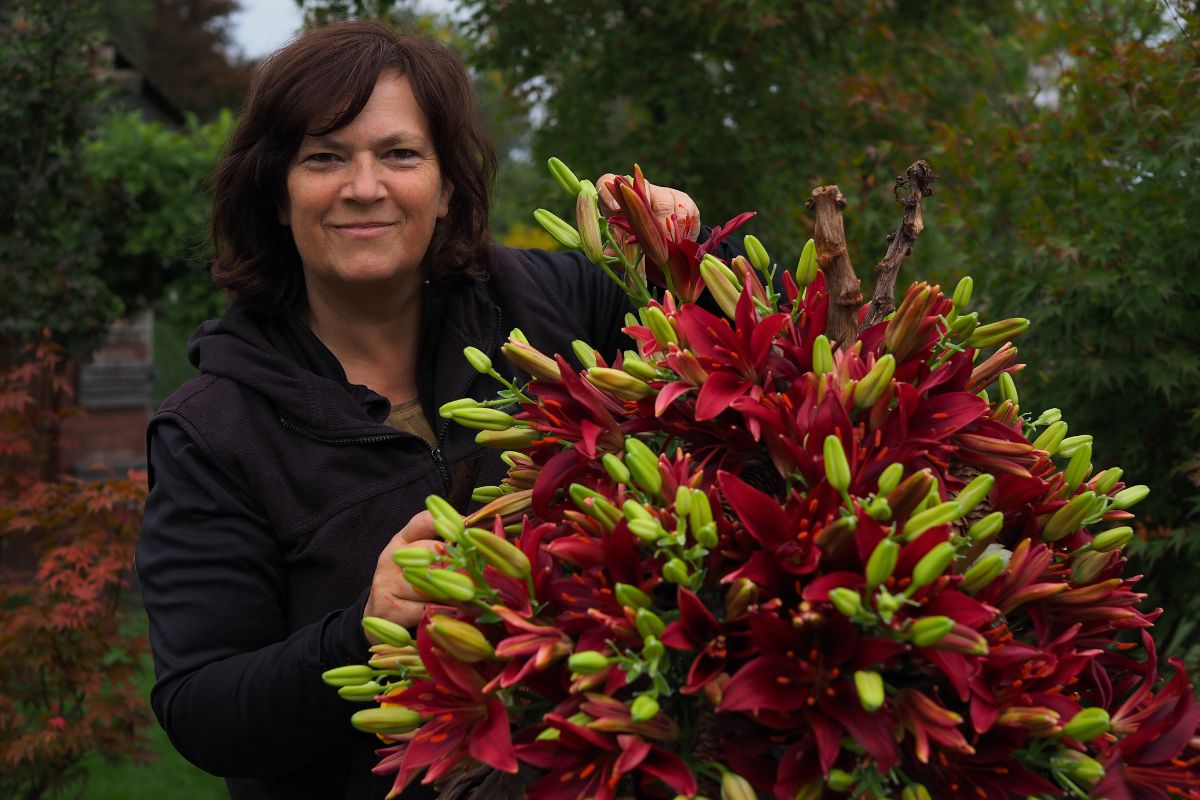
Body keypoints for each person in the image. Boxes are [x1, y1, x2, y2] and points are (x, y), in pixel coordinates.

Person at [136, 19, 736, 800]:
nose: (364, 186)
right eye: (323, 157)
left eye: (399, 154)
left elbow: (745, 352)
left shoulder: (549, 303)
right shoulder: (214, 431)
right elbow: (202, 711)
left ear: (448, 186)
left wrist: (682, 251)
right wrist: (364, 629)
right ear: (278, 197)